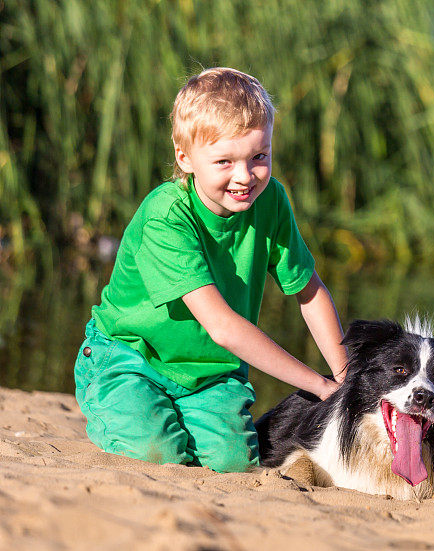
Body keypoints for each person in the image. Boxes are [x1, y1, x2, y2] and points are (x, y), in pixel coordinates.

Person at [73, 67, 348, 473]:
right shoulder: (165, 217)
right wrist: (319, 384)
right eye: (224, 161)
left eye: (260, 156)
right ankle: (117, 405)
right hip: (130, 355)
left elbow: (309, 292)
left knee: (233, 464)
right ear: (185, 158)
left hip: (212, 373)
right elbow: (222, 326)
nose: (245, 176)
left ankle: (183, 416)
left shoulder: (271, 201)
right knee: (158, 450)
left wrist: (346, 376)